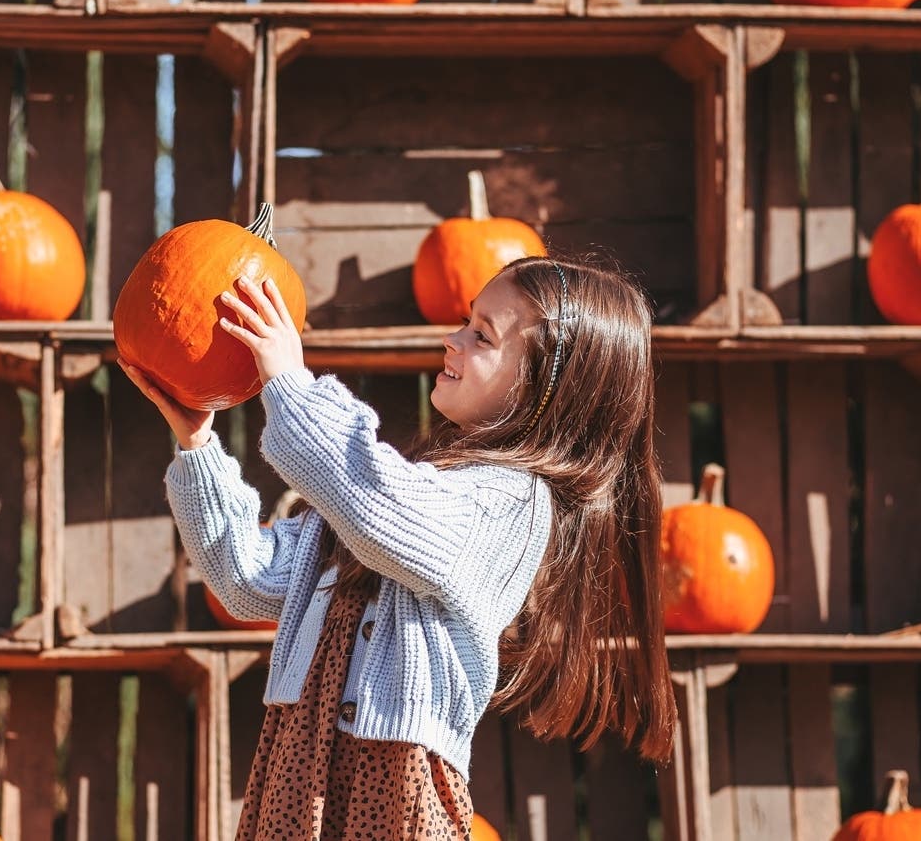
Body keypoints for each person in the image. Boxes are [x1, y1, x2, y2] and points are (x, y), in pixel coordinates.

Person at [119, 252, 677, 840]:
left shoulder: (509, 508)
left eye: (481, 335)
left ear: (546, 389)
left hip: (391, 791)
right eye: (465, 321)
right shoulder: (408, 495)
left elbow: (374, 503)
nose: (452, 339)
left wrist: (289, 382)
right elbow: (246, 578)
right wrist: (197, 442)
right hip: (294, 775)